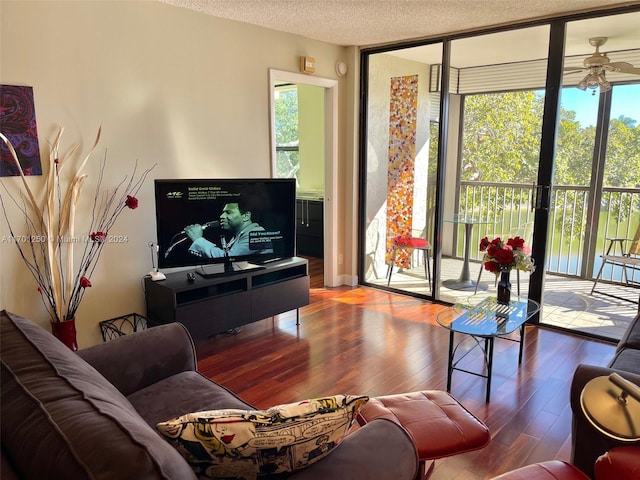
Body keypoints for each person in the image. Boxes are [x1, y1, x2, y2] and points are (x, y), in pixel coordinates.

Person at [184, 200, 273, 258]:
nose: (221, 216)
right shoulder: (238, 235)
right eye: (223, 213)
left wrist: (198, 239)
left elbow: (230, 257)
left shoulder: (256, 234)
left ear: (246, 216)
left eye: (228, 212)